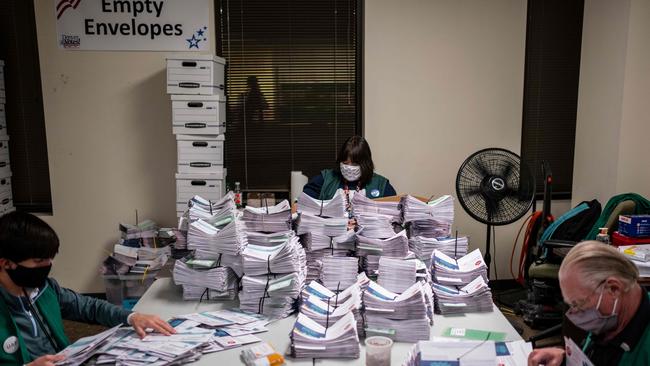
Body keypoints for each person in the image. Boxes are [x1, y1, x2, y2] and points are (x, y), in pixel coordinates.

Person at [0, 212, 175, 365]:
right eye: (39, 261)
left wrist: (132, 317)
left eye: (50, 259)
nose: (48, 265)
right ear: (6, 263)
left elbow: (90, 307)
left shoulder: (45, 289)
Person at [528, 241, 650, 366]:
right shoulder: (609, 317)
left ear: (614, 288)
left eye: (579, 304)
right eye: (572, 305)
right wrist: (564, 358)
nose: (574, 316)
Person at [303, 135, 396, 201]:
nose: (349, 168)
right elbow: (303, 204)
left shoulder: (381, 185)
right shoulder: (324, 180)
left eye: (355, 164)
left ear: (365, 164)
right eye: (345, 163)